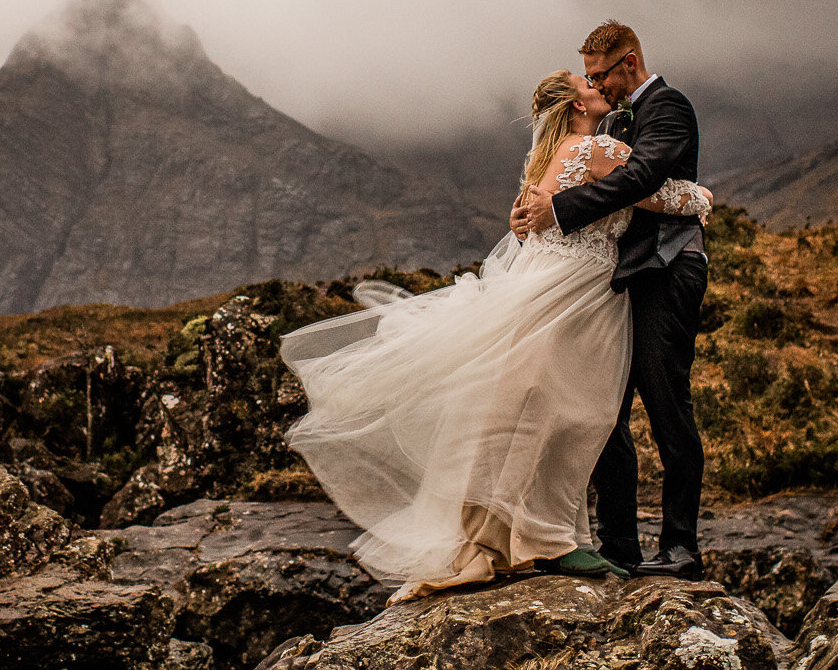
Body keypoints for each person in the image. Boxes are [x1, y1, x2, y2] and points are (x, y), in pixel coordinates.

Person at [283, 65, 710, 599]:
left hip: (548, 281)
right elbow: (668, 196)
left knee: (532, 407)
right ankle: (550, 536)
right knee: (574, 411)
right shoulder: (600, 152)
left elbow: (544, 215)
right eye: (587, 84)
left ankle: (522, 534)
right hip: (576, 291)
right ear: (577, 106)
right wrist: (702, 198)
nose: (596, 87)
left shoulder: (545, 157)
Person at [509, 20, 710, 578]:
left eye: (602, 73)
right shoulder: (612, 121)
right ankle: (618, 546)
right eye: (589, 77)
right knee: (603, 412)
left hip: (667, 268)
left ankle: (680, 548)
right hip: (618, 279)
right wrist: (537, 207)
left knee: (667, 403)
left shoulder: (668, 106)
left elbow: (642, 178)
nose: (599, 83)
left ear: (629, 61)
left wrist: (560, 208)